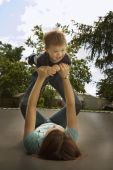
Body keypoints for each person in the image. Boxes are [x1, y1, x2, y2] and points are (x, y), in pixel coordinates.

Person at [21, 63, 81, 160]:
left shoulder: (32, 144)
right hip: (57, 126)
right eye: (59, 129)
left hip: (39, 125)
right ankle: (55, 77)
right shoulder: (70, 138)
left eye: (52, 128)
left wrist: (40, 79)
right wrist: (65, 77)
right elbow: (71, 105)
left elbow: (31, 106)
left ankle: (44, 73)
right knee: (77, 105)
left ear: (45, 139)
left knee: (24, 105)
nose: (53, 125)